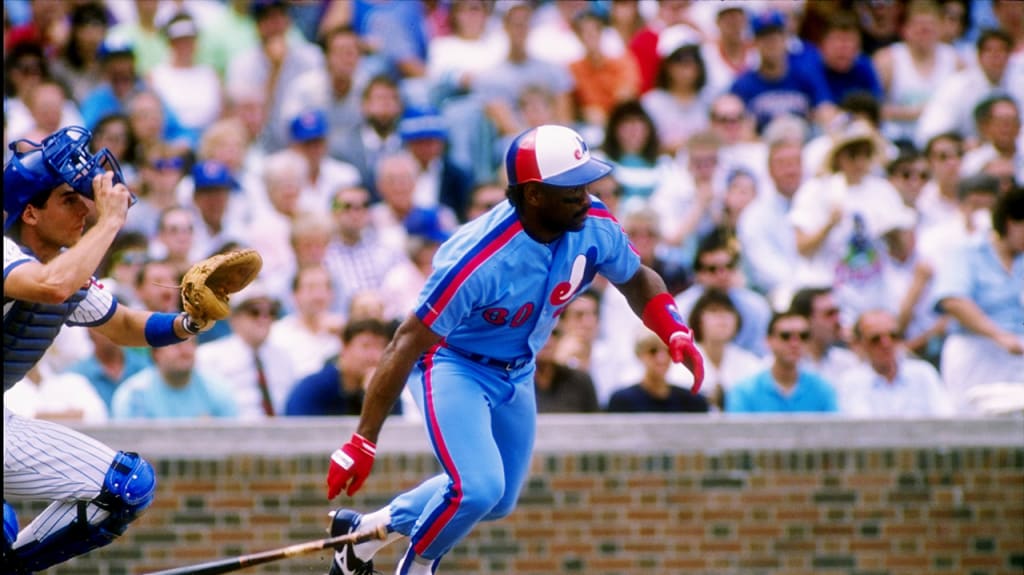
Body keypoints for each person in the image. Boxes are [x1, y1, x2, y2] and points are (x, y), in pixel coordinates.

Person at [322, 124, 704, 575]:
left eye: (586, 184)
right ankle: (418, 564)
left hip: (517, 370)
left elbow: (636, 277)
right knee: (477, 489)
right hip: (454, 364)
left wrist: (673, 328)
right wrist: (363, 440)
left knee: (497, 499)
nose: (586, 196)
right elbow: (405, 342)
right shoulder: (476, 258)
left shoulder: (593, 221)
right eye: (572, 189)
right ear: (535, 194)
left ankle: (365, 533)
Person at [3, 125, 212, 571]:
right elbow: (52, 286)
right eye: (69, 199)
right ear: (31, 213)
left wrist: (190, 321)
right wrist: (111, 221)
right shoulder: (7, 253)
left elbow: (121, 323)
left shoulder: (65, 265)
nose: (86, 208)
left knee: (127, 486)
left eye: (86, 198)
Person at [931, 188, 1024, 410]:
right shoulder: (967, 252)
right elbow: (953, 300)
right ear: (1011, 223)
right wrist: (998, 335)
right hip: (975, 350)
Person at [836, 309, 954, 417]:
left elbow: (945, 418)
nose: (886, 344)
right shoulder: (850, 382)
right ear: (860, 344)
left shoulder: (923, 373)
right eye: (876, 339)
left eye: (893, 336)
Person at [726, 310, 839, 414]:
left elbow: (836, 432)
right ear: (768, 340)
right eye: (785, 336)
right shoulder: (745, 392)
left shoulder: (823, 389)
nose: (795, 343)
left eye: (803, 336)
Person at [284, 318, 395, 417]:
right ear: (344, 348)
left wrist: (375, 397)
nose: (374, 356)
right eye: (366, 346)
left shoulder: (387, 390)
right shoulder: (312, 389)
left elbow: (393, 433)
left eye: (381, 347)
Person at [110, 338, 238, 420]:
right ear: (156, 353)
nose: (185, 350)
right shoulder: (133, 395)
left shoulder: (218, 389)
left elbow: (233, 448)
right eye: (176, 344)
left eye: (191, 342)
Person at [607, 330, 710, 413]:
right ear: (639, 355)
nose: (662, 358)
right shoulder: (622, 401)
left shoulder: (692, 402)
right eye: (653, 351)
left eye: (668, 351)